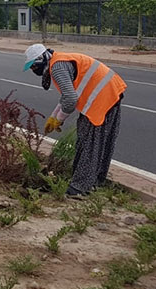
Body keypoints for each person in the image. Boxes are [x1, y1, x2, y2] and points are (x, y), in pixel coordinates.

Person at [24, 43, 126, 199]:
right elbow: (67, 96)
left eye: (33, 66)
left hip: (103, 98)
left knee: (90, 143)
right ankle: (93, 181)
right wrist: (54, 116)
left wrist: (59, 119)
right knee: (91, 140)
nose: (33, 70)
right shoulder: (58, 61)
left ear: (41, 60)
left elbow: (71, 99)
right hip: (109, 93)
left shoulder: (57, 67)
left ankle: (79, 187)